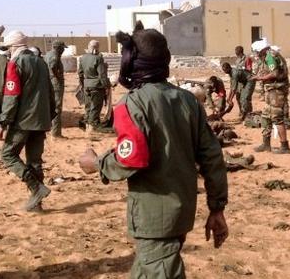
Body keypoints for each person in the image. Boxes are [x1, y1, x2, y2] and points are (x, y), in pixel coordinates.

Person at [78, 26, 228, 277]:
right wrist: (217, 207)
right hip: (180, 211)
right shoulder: (188, 100)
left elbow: (131, 158)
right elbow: (212, 157)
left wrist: (97, 163)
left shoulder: (131, 103)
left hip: (154, 217)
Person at [0, 31, 55, 211]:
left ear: (14, 47)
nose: (7, 53)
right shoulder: (41, 62)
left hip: (23, 120)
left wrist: (3, 121)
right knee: (35, 161)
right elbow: (50, 92)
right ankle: (37, 204)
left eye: (7, 49)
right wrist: (49, 115)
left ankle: (36, 188)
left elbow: (11, 95)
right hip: (41, 119)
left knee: (8, 155)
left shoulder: (15, 63)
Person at [251, 38, 290, 154]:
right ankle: (266, 144)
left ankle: (284, 146)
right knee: (265, 116)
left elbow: (275, 73)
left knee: (277, 118)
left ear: (260, 50)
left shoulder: (270, 56)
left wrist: (259, 78)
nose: (256, 54)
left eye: (256, 52)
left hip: (276, 90)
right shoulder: (269, 56)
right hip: (271, 90)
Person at [78, 39, 109, 131]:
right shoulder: (98, 58)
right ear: (97, 48)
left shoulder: (82, 58)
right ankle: (92, 128)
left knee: (88, 106)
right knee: (95, 107)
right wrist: (106, 86)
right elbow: (102, 75)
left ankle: (87, 125)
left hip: (86, 85)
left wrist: (83, 84)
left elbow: (80, 73)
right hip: (97, 86)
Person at [45, 41, 67, 138]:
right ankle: (56, 133)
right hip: (55, 84)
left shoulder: (48, 54)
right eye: (62, 48)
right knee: (57, 108)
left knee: (50, 106)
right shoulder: (55, 56)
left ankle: (50, 129)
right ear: (58, 48)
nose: (63, 50)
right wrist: (58, 77)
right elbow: (53, 67)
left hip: (49, 83)